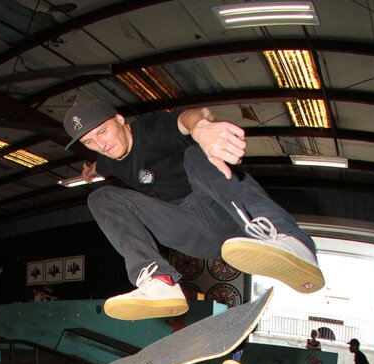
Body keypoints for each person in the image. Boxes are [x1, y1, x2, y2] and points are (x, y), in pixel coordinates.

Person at [63, 99, 324, 321]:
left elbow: (189, 117)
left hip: (221, 211)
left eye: (103, 132)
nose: (101, 144)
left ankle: (292, 242)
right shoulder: (108, 159)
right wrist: (90, 171)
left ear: (120, 120)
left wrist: (201, 127)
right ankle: (159, 281)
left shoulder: (150, 130)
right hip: (188, 230)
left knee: (195, 155)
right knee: (100, 197)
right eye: (89, 141)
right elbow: (99, 165)